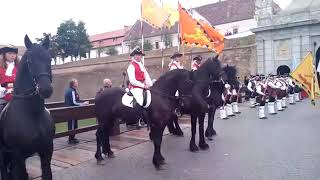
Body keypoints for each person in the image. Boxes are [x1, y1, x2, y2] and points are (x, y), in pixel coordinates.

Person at [127, 47, 153, 129]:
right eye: (137, 55)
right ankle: (138, 120)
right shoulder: (131, 66)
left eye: (140, 55)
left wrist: (150, 84)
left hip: (144, 86)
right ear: (134, 56)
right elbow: (132, 80)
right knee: (140, 99)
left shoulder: (141, 65)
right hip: (136, 87)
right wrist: (143, 86)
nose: (139, 57)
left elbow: (147, 76)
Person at [64, 78, 89, 144]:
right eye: (76, 82)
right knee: (72, 125)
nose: (77, 83)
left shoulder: (73, 90)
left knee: (74, 124)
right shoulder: (72, 91)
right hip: (72, 111)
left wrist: (83, 102)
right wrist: (83, 104)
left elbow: (76, 100)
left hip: (73, 111)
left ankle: (72, 138)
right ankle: (71, 139)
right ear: (73, 84)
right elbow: (74, 102)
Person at [0, 45, 19, 112]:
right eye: (10, 53)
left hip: (20, 95)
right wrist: (6, 91)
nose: (12, 55)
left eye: (14, 53)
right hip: (4, 96)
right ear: (4, 55)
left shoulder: (20, 67)